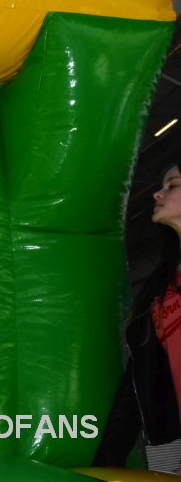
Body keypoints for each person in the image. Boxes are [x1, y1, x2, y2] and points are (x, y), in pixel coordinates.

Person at [93, 163, 181, 469]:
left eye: (173, 185)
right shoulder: (160, 288)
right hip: (171, 451)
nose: (157, 193)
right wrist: (108, 459)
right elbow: (139, 380)